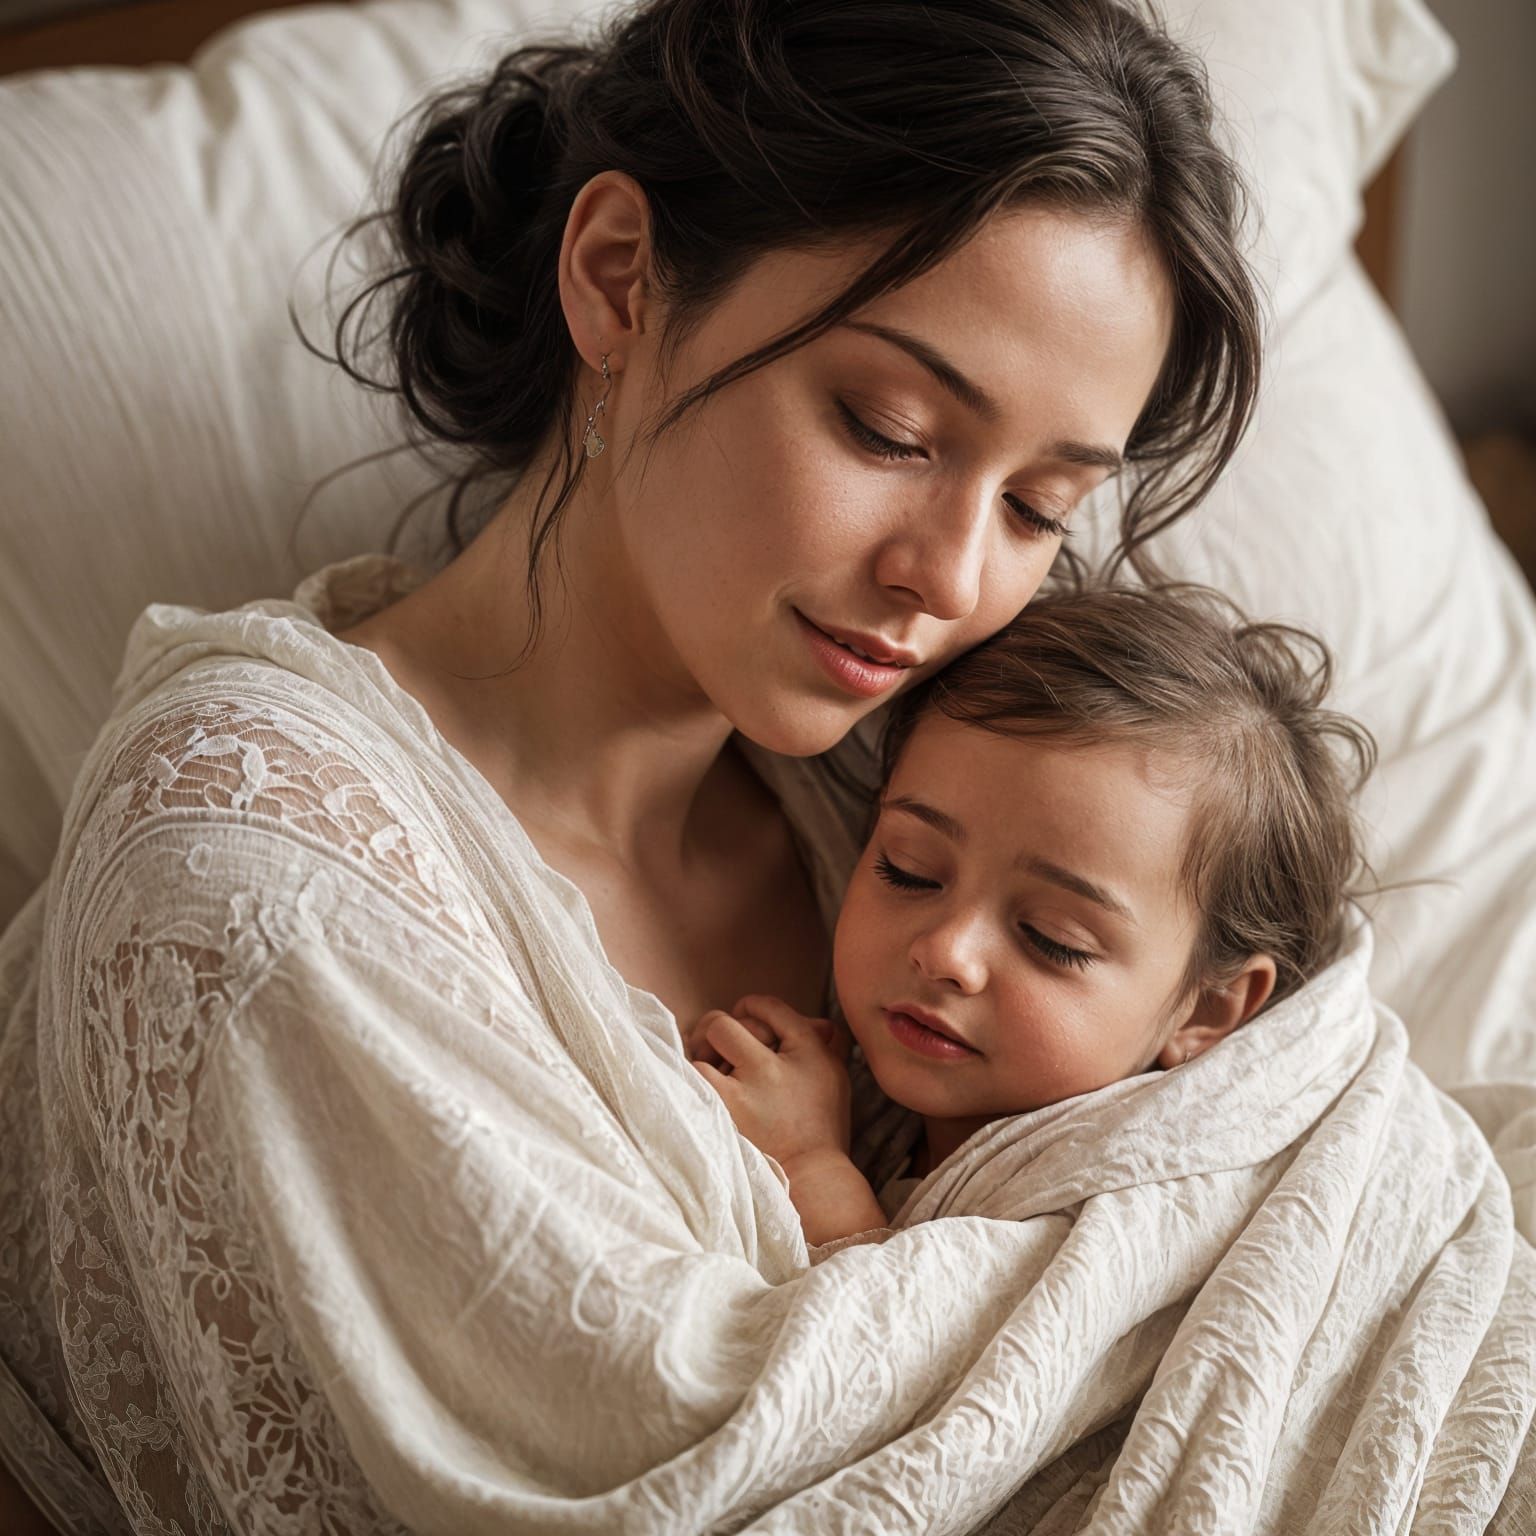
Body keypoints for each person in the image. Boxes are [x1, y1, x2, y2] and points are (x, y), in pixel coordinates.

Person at [0, 0, 1272, 1529]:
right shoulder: (262, 878)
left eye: (1037, 508)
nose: (948, 578)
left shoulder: (933, 800)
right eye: (888, 428)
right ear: (618, 278)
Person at [685, 584, 1375, 1246]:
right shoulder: (878, 1113)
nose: (947, 952)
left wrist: (809, 1166)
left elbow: (927, 1329)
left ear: (1207, 1008)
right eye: (909, 869)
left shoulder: (1135, 1204)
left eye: (1051, 940)